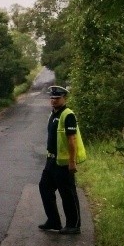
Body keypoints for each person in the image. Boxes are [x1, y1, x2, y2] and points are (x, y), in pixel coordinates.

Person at [38, 85, 86, 235]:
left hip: (64, 163)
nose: (54, 101)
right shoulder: (53, 114)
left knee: (68, 193)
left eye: (57, 98)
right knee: (44, 187)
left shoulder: (68, 115)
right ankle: (54, 221)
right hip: (51, 160)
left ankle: (74, 225)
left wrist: (72, 162)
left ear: (64, 98)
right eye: (52, 98)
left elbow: (72, 140)